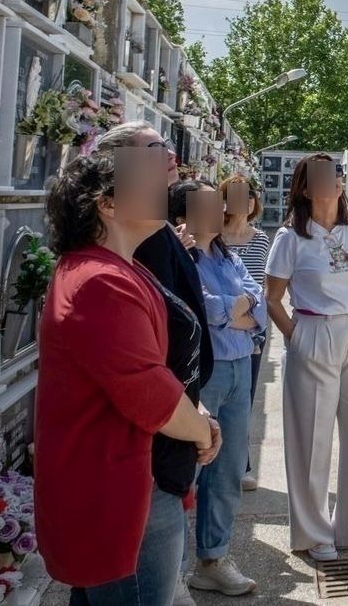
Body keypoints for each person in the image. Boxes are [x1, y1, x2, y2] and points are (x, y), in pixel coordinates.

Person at [35, 153, 218, 606]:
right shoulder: (100, 282)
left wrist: (192, 409)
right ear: (108, 204)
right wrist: (203, 431)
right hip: (123, 494)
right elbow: (147, 393)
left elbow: (148, 367)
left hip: (131, 478)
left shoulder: (117, 268)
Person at [94, 121, 212, 606]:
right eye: (154, 148)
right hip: (146, 451)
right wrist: (193, 424)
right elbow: (143, 364)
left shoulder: (157, 228)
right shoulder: (117, 259)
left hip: (172, 429)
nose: (169, 155)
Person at [265, 153, 348, 562]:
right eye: (322, 176)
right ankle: (313, 533)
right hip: (314, 328)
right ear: (305, 188)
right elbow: (271, 298)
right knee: (312, 438)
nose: (332, 180)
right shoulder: (290, 237)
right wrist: (296, 336)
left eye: (336, 174)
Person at [166, 180, 266, 597]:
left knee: (226, 471)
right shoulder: (177, 257)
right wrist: (234, 310)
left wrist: (231, 312)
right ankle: (171, 567)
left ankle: (213, 559)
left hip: (241, 366)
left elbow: (257, 301)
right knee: (188, 468)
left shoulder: (225, 254)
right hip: (203, 373)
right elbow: (202, 308)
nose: (218, 208)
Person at [218, 175, 272, 493]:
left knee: (244, 399)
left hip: (251, 328)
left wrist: (252, 324)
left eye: (250, 195)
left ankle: (242, 465)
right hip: (221, 323)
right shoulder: (214, 235)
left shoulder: (260, 239)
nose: (247, 200)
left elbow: (259, 287)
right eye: (239, 194)